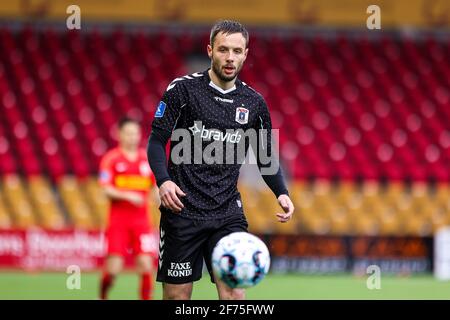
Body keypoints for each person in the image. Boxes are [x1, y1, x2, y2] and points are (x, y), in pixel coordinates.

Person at [147, 20, 295, 300]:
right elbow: (156, 141)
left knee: (233, 294)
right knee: (177, 297)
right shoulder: (182, 90)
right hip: (182, 212)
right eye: (223, 49)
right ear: (210, 50)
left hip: (227, 213)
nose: (230, 58)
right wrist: (163, 182)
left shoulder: (254, 103)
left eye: (237, 51)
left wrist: (282, 193)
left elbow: (265, 158)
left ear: (245, 54)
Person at [98, 117, 158, 300]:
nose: (132, 137)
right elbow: (105, 189)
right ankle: (102, 296)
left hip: (142, 222)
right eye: (128, 133)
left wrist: (160, 198)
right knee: (114, 269)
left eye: (135, 133)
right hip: (118, 222)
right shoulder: (111, 159)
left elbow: (154, 187)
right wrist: (128, 195)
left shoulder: (146, 159)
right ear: (119, 134)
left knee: (147, 265)